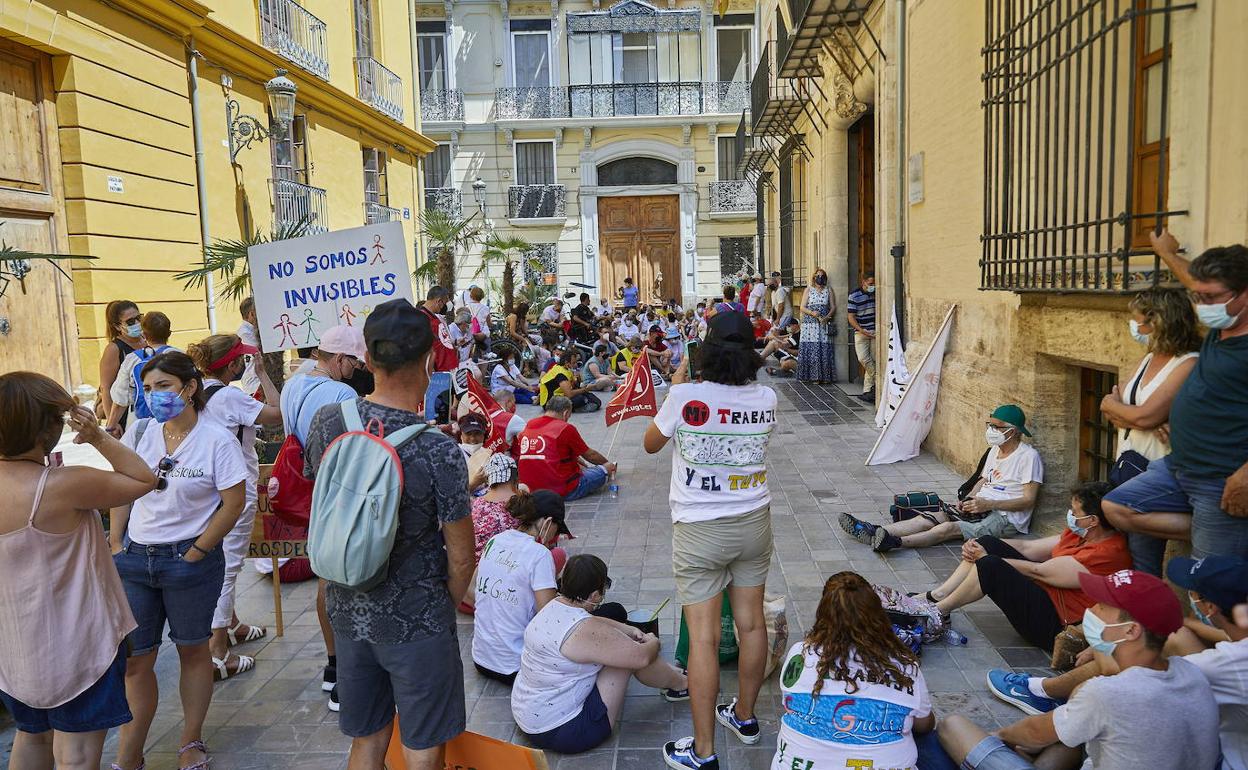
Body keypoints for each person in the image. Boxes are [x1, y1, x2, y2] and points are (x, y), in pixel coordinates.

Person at [303, 298, 474, 770]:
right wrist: (440, 607)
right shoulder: (439, 449)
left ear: (369, 360)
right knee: (421, 749)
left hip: (347, 609)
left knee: (367, 740)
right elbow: (462, 557)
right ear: (429, 361)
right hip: (417, 619)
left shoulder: (328, 422)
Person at [644, 311, 778, 770]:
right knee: (752, 624)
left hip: (699, 528)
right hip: (753, 521)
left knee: (701, 640)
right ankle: (744, 716)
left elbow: (649, 444)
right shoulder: (767, 397)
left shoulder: (684, 396)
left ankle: (703, 751)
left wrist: (678, 383)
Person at [0, 374, 154, 770]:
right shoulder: (65, 485)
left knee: (31, 737)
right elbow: (144, 479)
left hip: (14, 650)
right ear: (48, 429)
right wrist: (99, 437)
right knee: (76, 756)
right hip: (81, 645)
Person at [109, 351, 249, 770]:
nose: (155, 397)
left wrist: (199, 549)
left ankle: (190, 740)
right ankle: (130, 754)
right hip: (136, 560)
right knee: (137, 661)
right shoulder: (141, 432)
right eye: (148, 389)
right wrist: (117, 541)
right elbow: (123, 487)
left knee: (193, 651)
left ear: (189, 388)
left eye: (164, 387)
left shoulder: (216, 438)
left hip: (188, 562)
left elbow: (233, 502)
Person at [938, 570, 1219, 770]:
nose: (1091, 610)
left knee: (954, 727)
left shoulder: (1106, 694)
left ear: (1131, 630)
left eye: (1101, 606)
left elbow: (1032, 733)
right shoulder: (1191, 672)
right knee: (1070, 734)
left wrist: (997, 739)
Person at [1101, 229, 1248, 565]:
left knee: (1211, 590)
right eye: (1197, 297)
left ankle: (1222, 534)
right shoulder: (1223, 321)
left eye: (1210, 298)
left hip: (1221, 476)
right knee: (1116, 506)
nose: (1201, 306)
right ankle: (1215, 532)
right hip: (1179, 464)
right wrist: (1167, 253)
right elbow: (1196, 280)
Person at [921, 482, 1132, 652]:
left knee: (990, 565)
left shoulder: (1108, 554)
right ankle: (936, 597)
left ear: (1093, 520)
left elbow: (1039, 571)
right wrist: (979, 545)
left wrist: (986, 558)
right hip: (1046, 597)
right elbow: (1028, 547)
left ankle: (937, 613)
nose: (1070, 515)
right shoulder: (1079, 533)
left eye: (1075, 512)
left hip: (1055, 626)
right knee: (988, 543)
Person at [512, 555, 688, 754]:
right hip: (566, 731)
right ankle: (683, 685)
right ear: (595, 595)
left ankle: (675, 676)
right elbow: (641, 657)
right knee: (627, 657)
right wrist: (654, 642)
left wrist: (628, 629)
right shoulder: (583, 630)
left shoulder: (552, 606)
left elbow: (593, 622)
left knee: (623, 645)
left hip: (528, 715)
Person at [276, 324, 363, 711]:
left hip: (305, 485)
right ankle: (349, 673)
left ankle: (333, 665)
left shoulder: (294, 381)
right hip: (336, 489)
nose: (355, 369)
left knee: (326, 578)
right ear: (340, 359)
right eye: (353, 362)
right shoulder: (342, 392)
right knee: (347, 580)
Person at [186, 333, 283, 680]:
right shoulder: (229, 396)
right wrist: (265, 373)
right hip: (235, 488)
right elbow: (277, 412)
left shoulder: (194, 392)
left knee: (220, 561)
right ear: (231, 364)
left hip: (205, 489)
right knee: (228, 567)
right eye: (242, 359)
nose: (245, 363)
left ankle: (232, 624)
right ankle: (218, 652)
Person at [771, 572, 934, 770]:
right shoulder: (905, 666)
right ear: (878, 615)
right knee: (930, 741)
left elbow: (790, 703)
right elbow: (925, 725)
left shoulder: (800, 654)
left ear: (823, 614)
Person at [1097, 287, 1201, 575]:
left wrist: (1130, 413)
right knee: (1127, 556)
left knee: (1143, 560)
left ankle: (1147, 617)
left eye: (1140, 320)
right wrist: (1136, 416)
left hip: (1157, 468)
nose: (1136, 327)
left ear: (1159, 322)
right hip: (1127, 462)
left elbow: (1137, 413)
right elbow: (1112, 408)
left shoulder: (1188, 363)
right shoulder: (1148, 358)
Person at [843, 404, 1043, 552]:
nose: (991, 431)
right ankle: (874, 530)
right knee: (934, 517)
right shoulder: (994, 451)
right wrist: (969, 499)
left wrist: (988, 504)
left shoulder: (1028, 456)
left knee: (948, 528)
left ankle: (894, 542)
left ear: (1013, 430)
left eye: (997, 427)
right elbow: (983, 480)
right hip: (982, 505)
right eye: (990, 425)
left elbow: (1028, 500)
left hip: (1006, 518)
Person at [472, 491, 568, 685]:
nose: (555, 537)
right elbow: (547, 618)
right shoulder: (539, 554)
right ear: (548, 522)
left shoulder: (495, 540)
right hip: (516, 666)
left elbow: (471, 590)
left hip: (481, 660)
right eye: (557, 530)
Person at [518, 395, 616, 501]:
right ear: (565, 413)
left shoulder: (529, 424)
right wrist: (607, 464)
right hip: (563, 490)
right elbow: (591, 456)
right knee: (606, 469)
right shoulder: (565, 428)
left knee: (580, 465)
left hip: (531, 490)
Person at [108, 311, 176, 430]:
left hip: (142, 423)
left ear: (143, 334)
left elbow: (121, 399)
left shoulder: (132, 359)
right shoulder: (179, 356)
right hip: (174, 419)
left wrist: (111, 426)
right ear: (169, 333)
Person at [99, 299, 144, 437]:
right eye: (130, 322)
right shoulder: (114, 349)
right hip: (126, 412)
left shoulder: (147, 340)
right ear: (118, 326)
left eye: (139, 318)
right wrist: (113, 423)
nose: (136, 323)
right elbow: (106, 388)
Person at [798, 268, 837, 384]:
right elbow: (802, 307)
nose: (820, 278)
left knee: (823, 347)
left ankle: (825, 377)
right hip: (810, 324)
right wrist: (812, 313)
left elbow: (833, 306)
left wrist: (827, 317)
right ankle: (813, 376)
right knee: (812, 347)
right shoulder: (808, 290)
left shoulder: (828, 290)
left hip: (823, 323)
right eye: (818, 276)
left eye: (822, 276)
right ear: (814, 278)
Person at [538, 348, 601, 412]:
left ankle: (582, 405)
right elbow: (569, 394)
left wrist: (578, 379)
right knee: (580, 398)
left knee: (591, 397)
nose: (576, 365)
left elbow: (575, 386)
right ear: (566, 362)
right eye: (574, 363)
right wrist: (585, 389)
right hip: (549, 403)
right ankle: (576, 408)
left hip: (560, 396)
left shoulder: (566, 369)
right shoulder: (560, 373)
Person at [847, 273, 877, 402]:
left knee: (874, 360)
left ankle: (867, 391)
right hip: (861, 332)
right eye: (870, 284)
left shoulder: (877, 293)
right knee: (863, 359)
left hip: (875, 332)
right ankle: (878, 378)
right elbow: (851, 317)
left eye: (874, 284)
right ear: (863, 282)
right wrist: (861, 330)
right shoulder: (854, 295)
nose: (872, 287)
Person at [236, 297, 263, 395]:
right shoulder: (245, 333)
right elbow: (258, 350)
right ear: (252, 314)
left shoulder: (251, 330)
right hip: (254, 383)